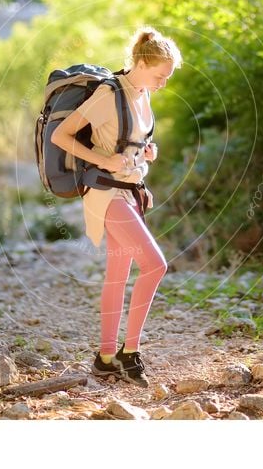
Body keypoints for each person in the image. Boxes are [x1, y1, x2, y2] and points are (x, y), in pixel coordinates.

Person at [50, 26, 182, 387]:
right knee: (155, 265)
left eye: (167, 78)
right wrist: (102, 161)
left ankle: (105, 357)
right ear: (140, 62)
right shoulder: (110, 93)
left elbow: (129, 142)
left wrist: (147, 153)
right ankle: (130, 353)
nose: (162, 84)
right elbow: (60, 136)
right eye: (160, 76)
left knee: (118, 275)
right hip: (105, 193)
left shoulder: (143, 94)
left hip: (130, 191)